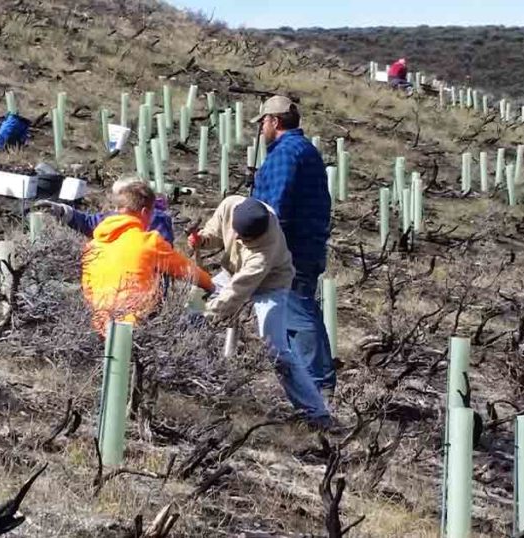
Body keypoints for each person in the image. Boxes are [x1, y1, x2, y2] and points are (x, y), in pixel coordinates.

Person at [188, 196, 331, 427]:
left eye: (247, 240)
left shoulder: (265, 251)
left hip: (271, 286)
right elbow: (214, 234)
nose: (241, 241)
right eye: (239, 236)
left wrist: (209, 312)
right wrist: (202, 240)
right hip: (232, 273)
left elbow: (236, 293)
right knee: (190, 311)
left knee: (277, 351)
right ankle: (189, 379)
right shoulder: (231, 205)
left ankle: (316, 413)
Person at [249, 96, 336, 398]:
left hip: (291, 248)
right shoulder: (304, 150)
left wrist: (265, 245)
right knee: (293, 311)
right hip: (303, 244)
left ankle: (318, 380)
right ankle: (308, 380)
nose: (261, 129)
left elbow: (275, 206)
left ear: (274, 121)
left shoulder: (285, 154)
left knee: (298, 311)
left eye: (262, 122)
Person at [81, 182, 212, 333]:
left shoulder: (92, 246)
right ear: (144, 212)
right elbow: (187, 271)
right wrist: (210, 285)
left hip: (99, 326)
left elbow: (88, 292)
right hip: (137, 326)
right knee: (195, 320)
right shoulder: (149, 242)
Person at [34, 178, 175, 243]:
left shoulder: (158, 219)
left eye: (120, 201)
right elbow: (88, 222)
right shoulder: (114, 216)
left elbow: (163, 251)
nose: (116, 207)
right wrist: (60, 210)